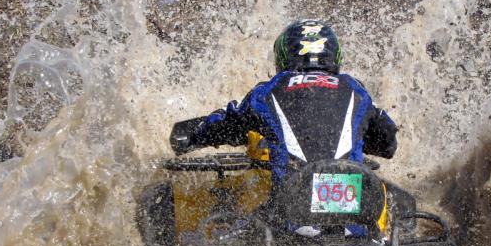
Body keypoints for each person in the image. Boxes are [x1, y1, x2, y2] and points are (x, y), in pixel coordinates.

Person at [170, 19, 398, 184]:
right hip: (356, 218)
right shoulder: (356, 90)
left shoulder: (269, 91)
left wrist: (192, 136)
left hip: (290, 213)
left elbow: (227, 123)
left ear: (283, 56)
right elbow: (388, 144)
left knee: (236, 213)